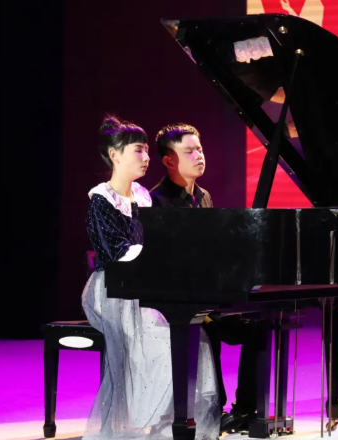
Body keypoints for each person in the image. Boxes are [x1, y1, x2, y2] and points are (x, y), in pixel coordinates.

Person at [81, 116, 220, 440]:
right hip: (113, 289)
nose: (146, 158)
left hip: (144, 284)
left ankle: (172, 418)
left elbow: (156, 243)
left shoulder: (144, 196)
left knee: (191, 335)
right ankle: (148, 419)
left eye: (146, 150)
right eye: (138, 151)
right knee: (160, 339)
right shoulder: (101, 199)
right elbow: (116, 252)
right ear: (115, 155)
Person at [150, 123, 264, 433]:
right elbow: (162, 263)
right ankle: (212, 409)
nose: (199, 155)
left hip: (208, 296)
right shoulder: (156, 201)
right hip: (176, 300)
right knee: (206, 327)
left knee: (260, 326)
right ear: (169, 160)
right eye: (189, 151)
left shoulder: (204, 196)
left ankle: (244, 410)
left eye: (199, 149)